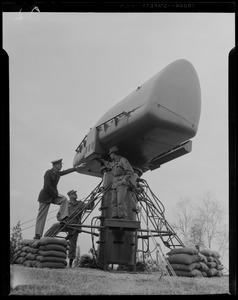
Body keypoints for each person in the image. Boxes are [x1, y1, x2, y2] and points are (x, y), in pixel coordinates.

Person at [34, 159, 85, 239]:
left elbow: (66, 171)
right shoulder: (48, 173)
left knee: (64, 199)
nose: (61, 166)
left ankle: (63, 218)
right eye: (60, 164)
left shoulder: (58, 173)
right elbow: (47, 186)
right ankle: (37, 235)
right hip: (45, 196)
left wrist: (76, 168)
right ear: (55, 165)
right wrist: (55, 194)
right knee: (42, 216)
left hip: (53, 195)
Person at [57, 189, 94, 268]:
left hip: (75, 226)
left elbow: (89, 206)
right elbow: (58, 215)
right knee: (55, 236)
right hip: (65, 225)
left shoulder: (80, 204)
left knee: (73, 245)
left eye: (75, 193)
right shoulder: (65, 204)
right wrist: (63, 220)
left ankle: (70, 263)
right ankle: (58, 257)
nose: (75, 194)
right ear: (70, 196)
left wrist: (92, 196)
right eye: (73, 193)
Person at [100, 146, 134, 219]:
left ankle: (122, 216)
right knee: (113, 202)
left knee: (120, 201)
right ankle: (115, 215)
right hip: (115, 184)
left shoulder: (123, 160)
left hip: (121, 184)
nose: (110, 156)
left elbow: (130, 172)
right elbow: (108, 164)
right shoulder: (114, 162)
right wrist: (102, 160)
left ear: (114, 154)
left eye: (110, 154)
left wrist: (124, 180)